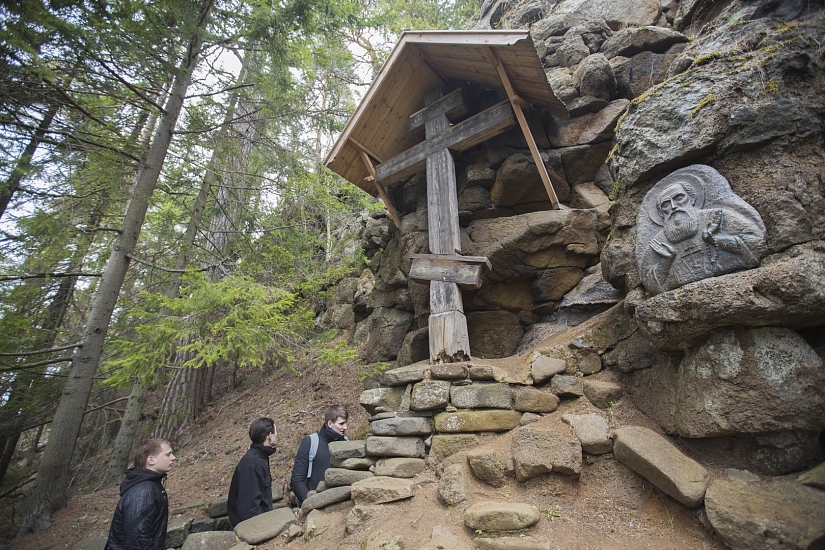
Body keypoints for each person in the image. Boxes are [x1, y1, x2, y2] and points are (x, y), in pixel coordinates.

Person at [640, 179, 764, 295]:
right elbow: (649, 283)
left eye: (679, 198)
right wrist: (665, 261)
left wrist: (716, 240)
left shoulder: (716, 216)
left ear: (692, 198)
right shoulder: (657, 242)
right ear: (661, 213)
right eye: (666, 204)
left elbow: (756, 243)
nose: (673, 206)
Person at [106, 438, 176, 550]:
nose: (173, 458)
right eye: (168, 455)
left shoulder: (151, 485)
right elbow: (138, 540)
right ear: (151, 460)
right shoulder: (143, 491)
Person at [290, 404, 348, 507]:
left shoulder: (347, 443)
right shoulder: (310, 442)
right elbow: (296, 481)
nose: (345, 427)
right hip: (313, 506)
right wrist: (311, 503)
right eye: (341, 424)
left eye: (346, 423)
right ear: (330, 423)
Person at [227, 417, 278, 527]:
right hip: (252, 531)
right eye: (275, 432)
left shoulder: (260, 458)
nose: (277, 435)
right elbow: (249, 509)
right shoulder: (253, 464)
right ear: (269, 435)